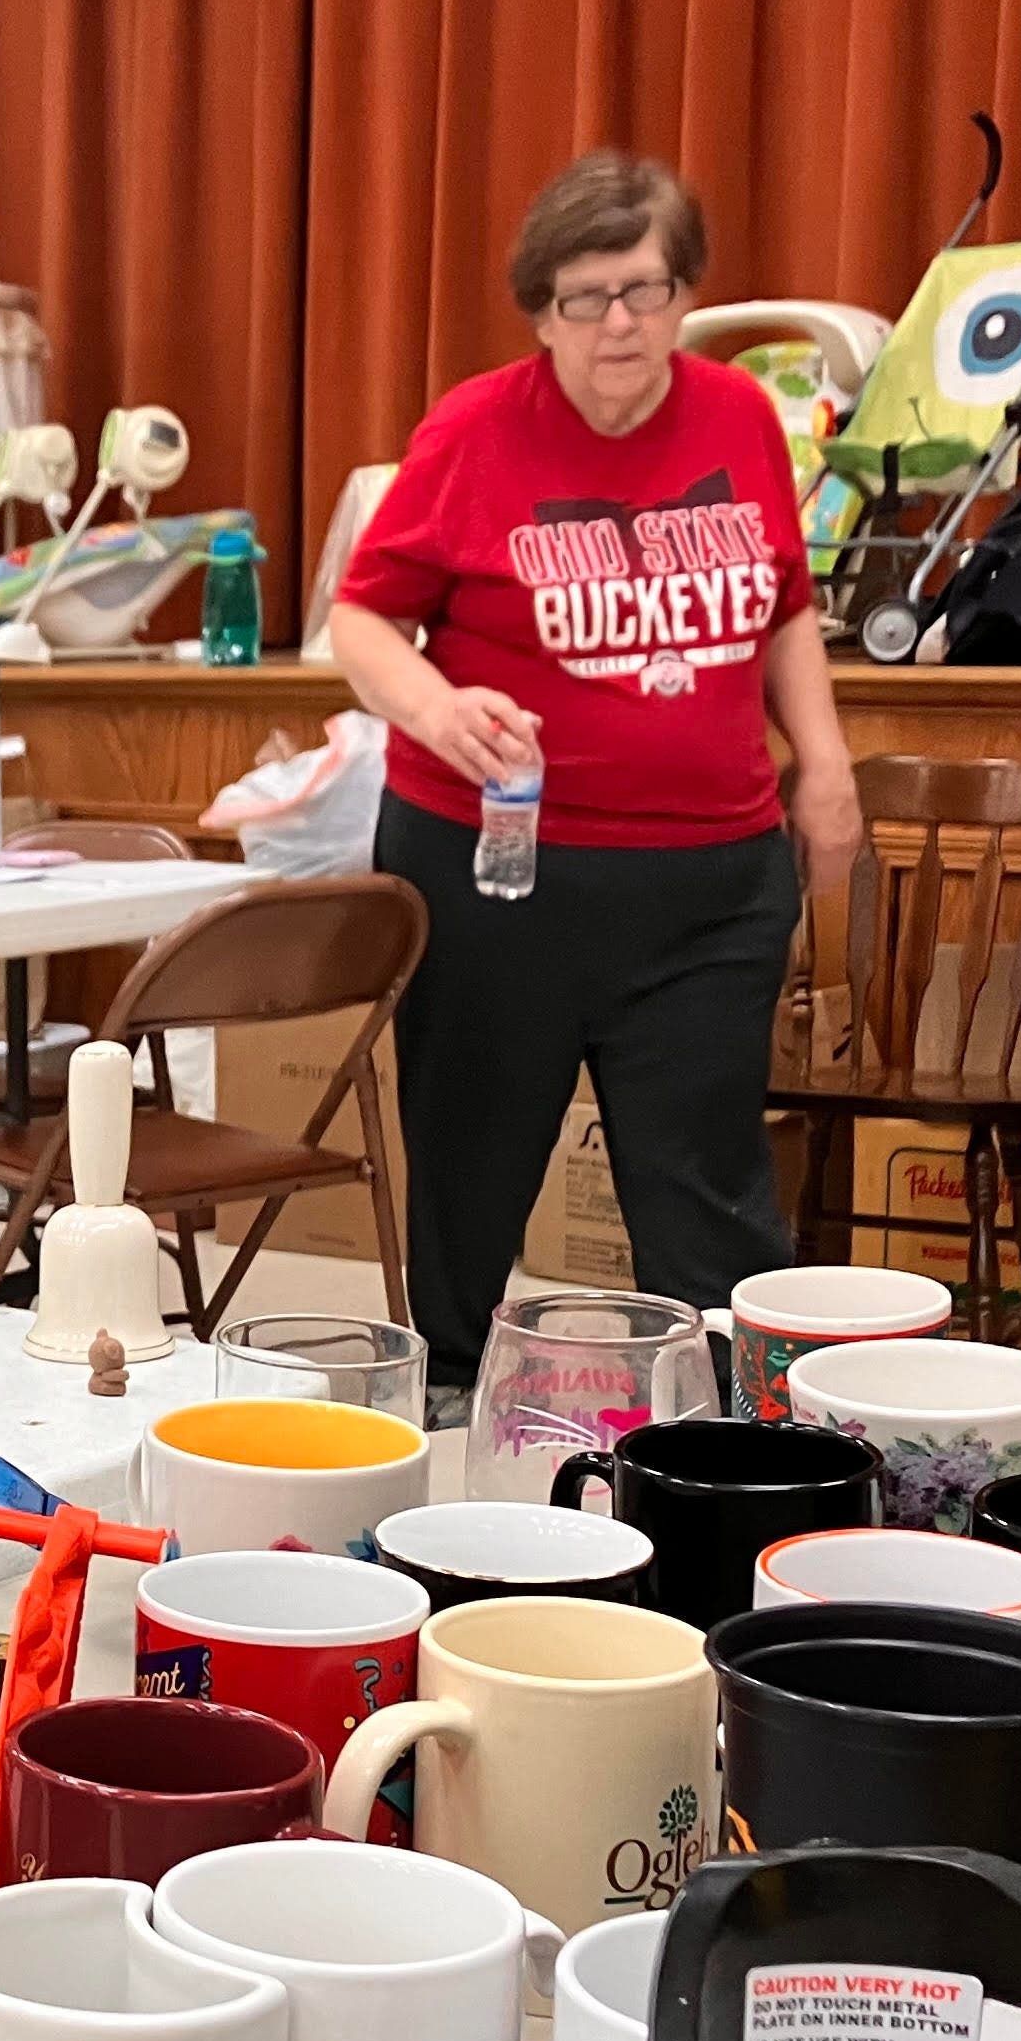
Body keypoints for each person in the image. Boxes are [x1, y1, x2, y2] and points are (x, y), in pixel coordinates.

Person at [328, 149, 863, 1405]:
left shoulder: (737, 416)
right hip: (497, 872)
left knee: (706, 1179)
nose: (619, 323)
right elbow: (362, 621)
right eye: (585, 297)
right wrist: (437, 705)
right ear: (541, 310)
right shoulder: (476, 428)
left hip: (712, 877)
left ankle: (738, 1428)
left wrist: (825, 767)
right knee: (473, 1160)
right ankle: (455, 1397)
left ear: (685, 296)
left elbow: (784, 610)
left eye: (645, 289)